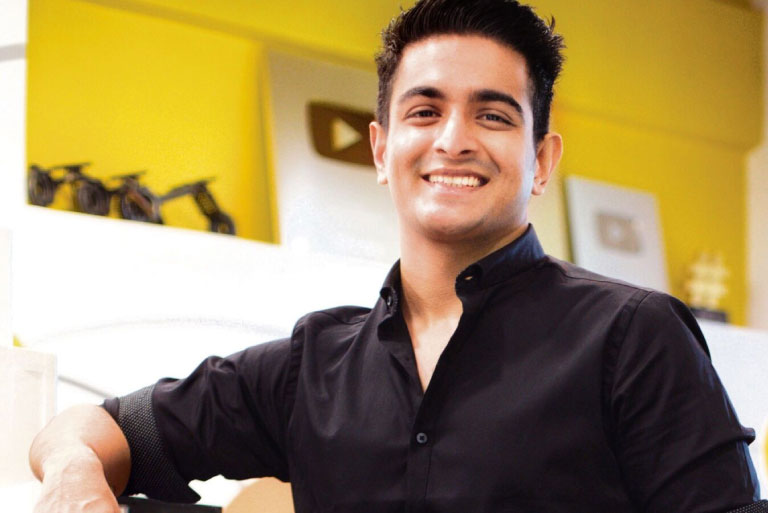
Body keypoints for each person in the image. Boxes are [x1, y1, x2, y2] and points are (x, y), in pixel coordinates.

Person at [29, 0, 766, 512]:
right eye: (425, 110)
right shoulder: (307, 366)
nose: (453, 139)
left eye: (493, 113)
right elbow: (90, 428)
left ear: (541, 160)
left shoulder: (635, 338)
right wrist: (71, 476)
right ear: (382, 149)